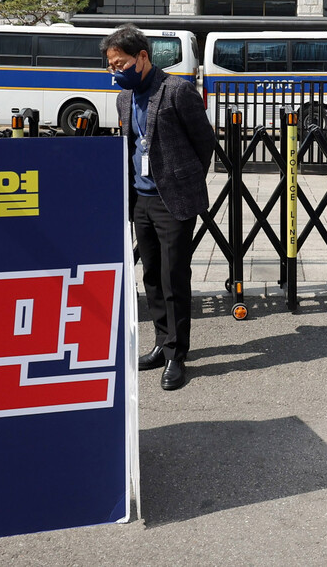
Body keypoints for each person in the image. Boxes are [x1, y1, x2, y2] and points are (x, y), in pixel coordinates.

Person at [103, 24, 214, 391]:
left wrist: (184, 180)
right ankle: (161, 342)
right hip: (140, 199)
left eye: (120, 63)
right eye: (111, 66)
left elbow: (204, 143)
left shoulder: (177, 90)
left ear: (142, 57)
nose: (115, 71)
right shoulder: (124, 98)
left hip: (173, 200)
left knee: (173, 277)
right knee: (151, 275)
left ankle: (177, 355)